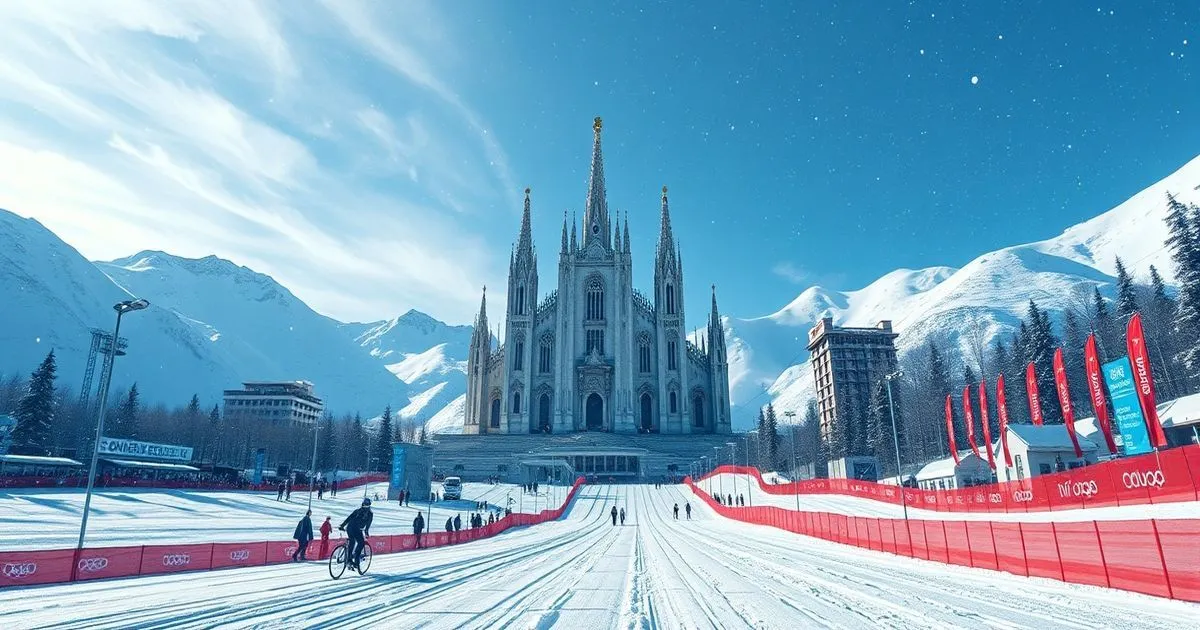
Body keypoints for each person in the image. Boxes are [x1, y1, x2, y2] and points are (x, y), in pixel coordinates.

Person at [339, 498, 373, 569]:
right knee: (361, 543)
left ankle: (349, 560)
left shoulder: (357, 511)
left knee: (352, 542)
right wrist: (366, 532)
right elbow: (368, 525)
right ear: (369, 505)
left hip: (349, 527)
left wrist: (342, 525)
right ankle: (356, 562)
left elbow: (349, 518)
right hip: (357, 529)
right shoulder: (370, 514)